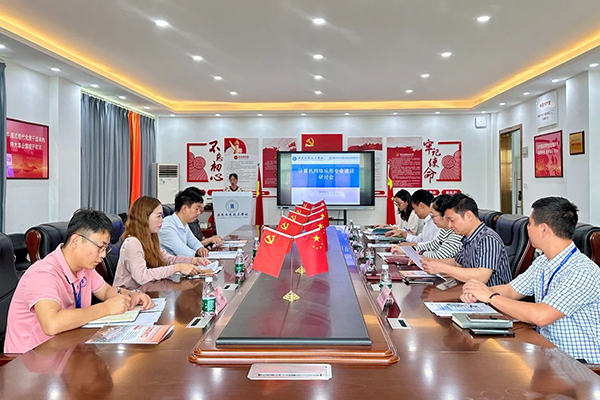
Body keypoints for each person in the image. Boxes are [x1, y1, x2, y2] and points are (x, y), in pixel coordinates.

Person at [461, 197, 600, 363]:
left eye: (529, 224)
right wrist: (478, 291)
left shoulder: (581, 271)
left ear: (543, 229)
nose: (527, 229)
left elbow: (541, 316)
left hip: (579, 365)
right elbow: (511, 290)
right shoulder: (543, 262)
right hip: (549, 353)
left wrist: (490, 297)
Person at [4, 209, 155, 354]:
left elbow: (107, 291)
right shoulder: (43, 273)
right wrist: (106, 308)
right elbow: (52, 324)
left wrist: (132, 295)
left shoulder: (85, 268)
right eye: (100, 247)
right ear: (76, 240)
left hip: (66, 347)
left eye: (106, 248)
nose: (103, 255)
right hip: (31, 360)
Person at [113, 196, 211, 289]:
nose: (162, 220)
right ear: (144, 218)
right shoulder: (132, 242)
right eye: (158, 216)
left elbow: (169, 259)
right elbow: (142, 276)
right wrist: (177, 268)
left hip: (146, 292)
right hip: (127, 296)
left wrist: (194, 260)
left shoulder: (151, 237)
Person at [421, 193, 511, 286]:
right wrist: (428, 262)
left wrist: (443, 268)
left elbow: (482, 276)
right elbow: (456, 263)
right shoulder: (468, 238)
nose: (450, 225)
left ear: (469, 216)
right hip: (469, 290)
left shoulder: (487, 238)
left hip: (490, 294)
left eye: (452, 220)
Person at [391, 194, 462, 259]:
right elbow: (432, 245)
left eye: (433, 215)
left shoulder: (457, 233)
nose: (431, 218)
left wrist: (415, 253)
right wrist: (409, 249)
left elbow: (439, 256)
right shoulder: (445, 230)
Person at [159, 190, 211, 257]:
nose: (199, 213)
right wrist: (199, 255)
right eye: (196, 209)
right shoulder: (166, 227)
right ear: (184, 209)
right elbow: (184, 252)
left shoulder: (184, 224)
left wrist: (201, 249)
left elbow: (194, 242)